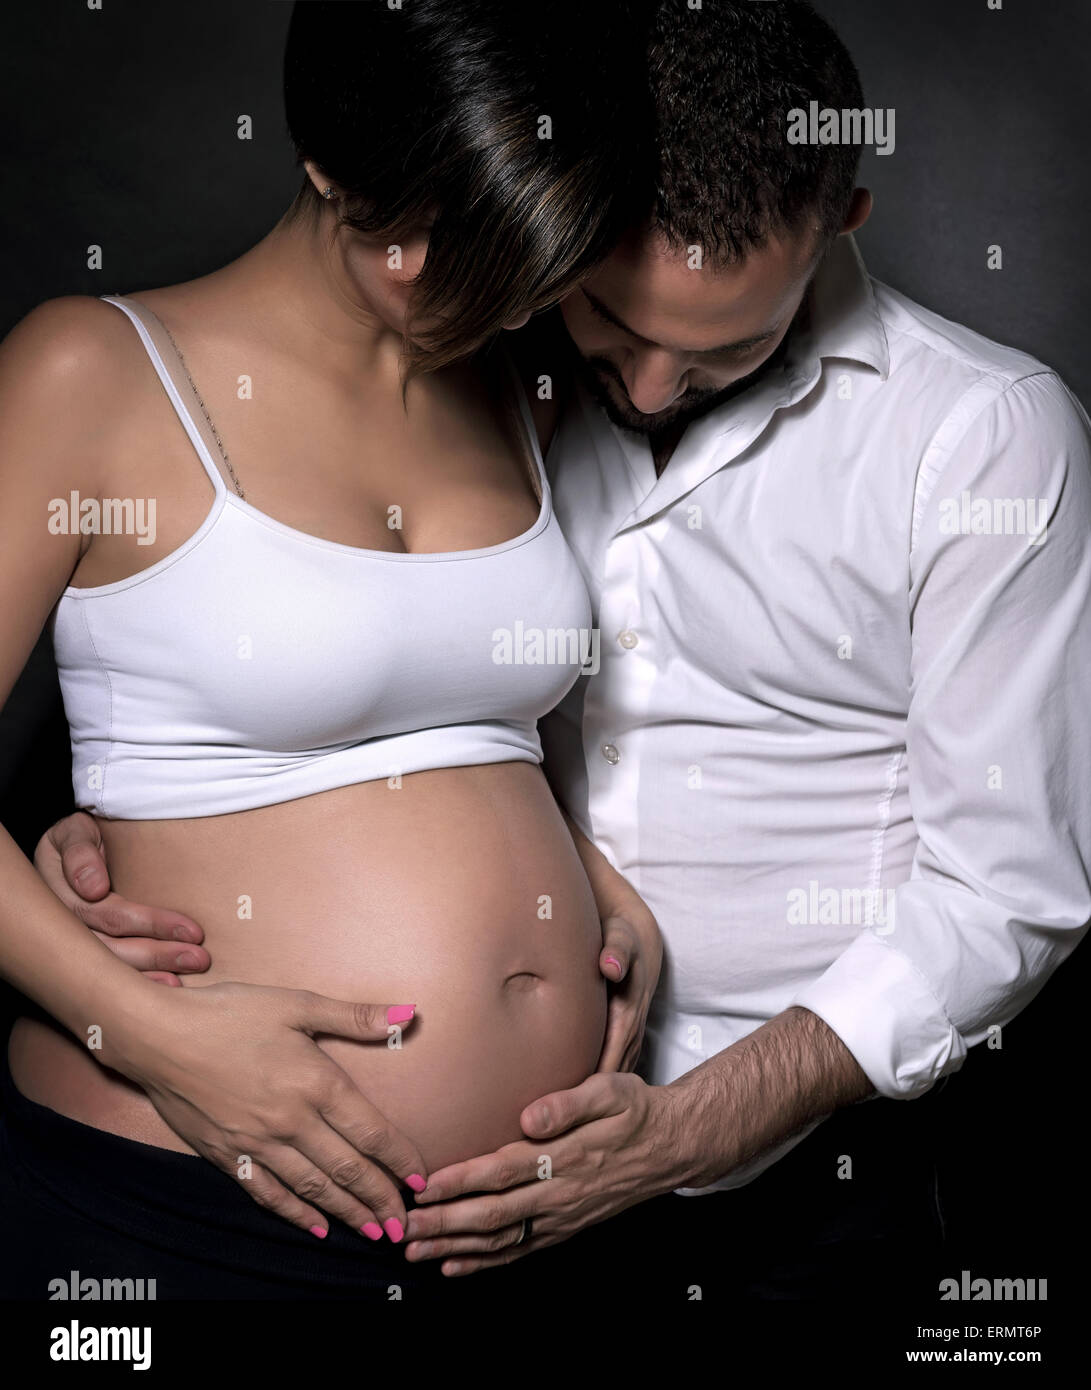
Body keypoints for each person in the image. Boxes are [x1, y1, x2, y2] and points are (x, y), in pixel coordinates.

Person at [45, 0, 1091, 1304]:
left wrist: (697, 1117)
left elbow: (1006, 887)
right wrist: (111, 847)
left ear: (840, 228)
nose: (646, 388)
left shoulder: (979, 440)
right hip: (416, 1198)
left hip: (805, 1171)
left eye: (723, 349)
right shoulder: (504, 356)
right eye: (613, 319)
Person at [0, 0, 664, 1301]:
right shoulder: (88, 371)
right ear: (328, 158)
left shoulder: (520, 380)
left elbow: (447, 731)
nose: (485, 294)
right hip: (184, 1202)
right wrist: (153, 1034)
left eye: (519, 258)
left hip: (529, 1219)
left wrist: (584, 882)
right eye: (434, 247)